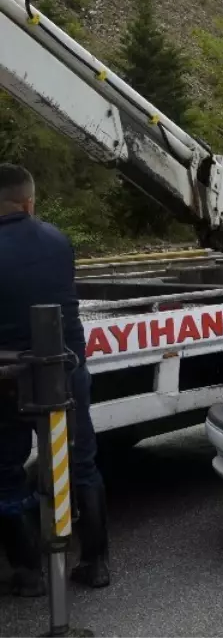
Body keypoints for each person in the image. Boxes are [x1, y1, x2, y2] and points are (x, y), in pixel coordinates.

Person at [0, 164, 110, 596]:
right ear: (28, 202)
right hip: (63, 371)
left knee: (6, 471)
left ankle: (29, 572)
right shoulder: (57, 241)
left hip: (6, 379)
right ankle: (96, 563)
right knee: (81, 463)